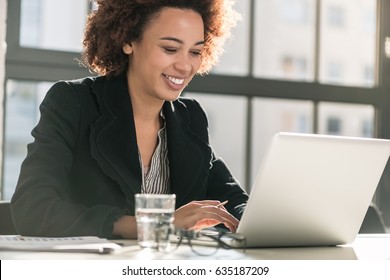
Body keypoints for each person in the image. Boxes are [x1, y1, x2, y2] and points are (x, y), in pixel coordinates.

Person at [10, 0, 248, 239]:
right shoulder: (74, 102)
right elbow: (32, 209)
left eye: (195, 52)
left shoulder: (190, 118)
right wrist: (153, 227)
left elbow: (235, 201)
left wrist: (257, 221)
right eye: (170, 49)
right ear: (128, 40)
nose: (185, 66)